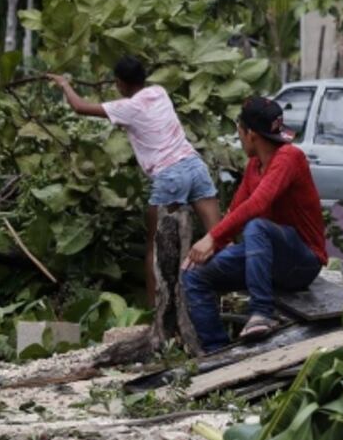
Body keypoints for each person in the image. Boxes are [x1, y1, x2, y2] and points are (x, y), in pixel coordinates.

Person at [48, 56, 222, 306]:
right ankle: (232, 298)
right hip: (196, 166)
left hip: (170, 175)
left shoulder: (127, 108)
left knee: (155, 249)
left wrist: (64, 84)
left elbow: (79, 107)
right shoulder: (159, 92)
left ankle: (153, 315)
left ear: (120, 83)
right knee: (218, 237)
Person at [182, 96, 328, 352]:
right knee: (194, 274)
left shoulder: (289, 157)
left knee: (256, 227)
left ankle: (261, 312)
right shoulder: (254, 165)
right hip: (269, 258)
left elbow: (258, 204)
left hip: (303, 262)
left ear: (250, 134)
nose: (239, 137)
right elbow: (236, 211)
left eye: (239, 131)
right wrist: (215, 247)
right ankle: (217, 350)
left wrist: (212, 238)